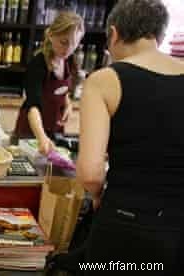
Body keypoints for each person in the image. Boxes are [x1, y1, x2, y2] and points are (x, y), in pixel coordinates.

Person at [76, 0, 184, 275]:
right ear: (159, 35)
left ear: (113, 33)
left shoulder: (104, 80)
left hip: (124, 223)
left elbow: (90, 173)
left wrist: (98, 195)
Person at [14, 11, 84, 155]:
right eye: (64, 42)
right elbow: (32, 105)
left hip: (55, 128)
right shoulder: (38, 64)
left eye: (74, 44)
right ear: (51, 35)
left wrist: (68, 104)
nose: (69, 50)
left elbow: (63, 90)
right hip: (32, 130)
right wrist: (41, 137)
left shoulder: (69, 60)